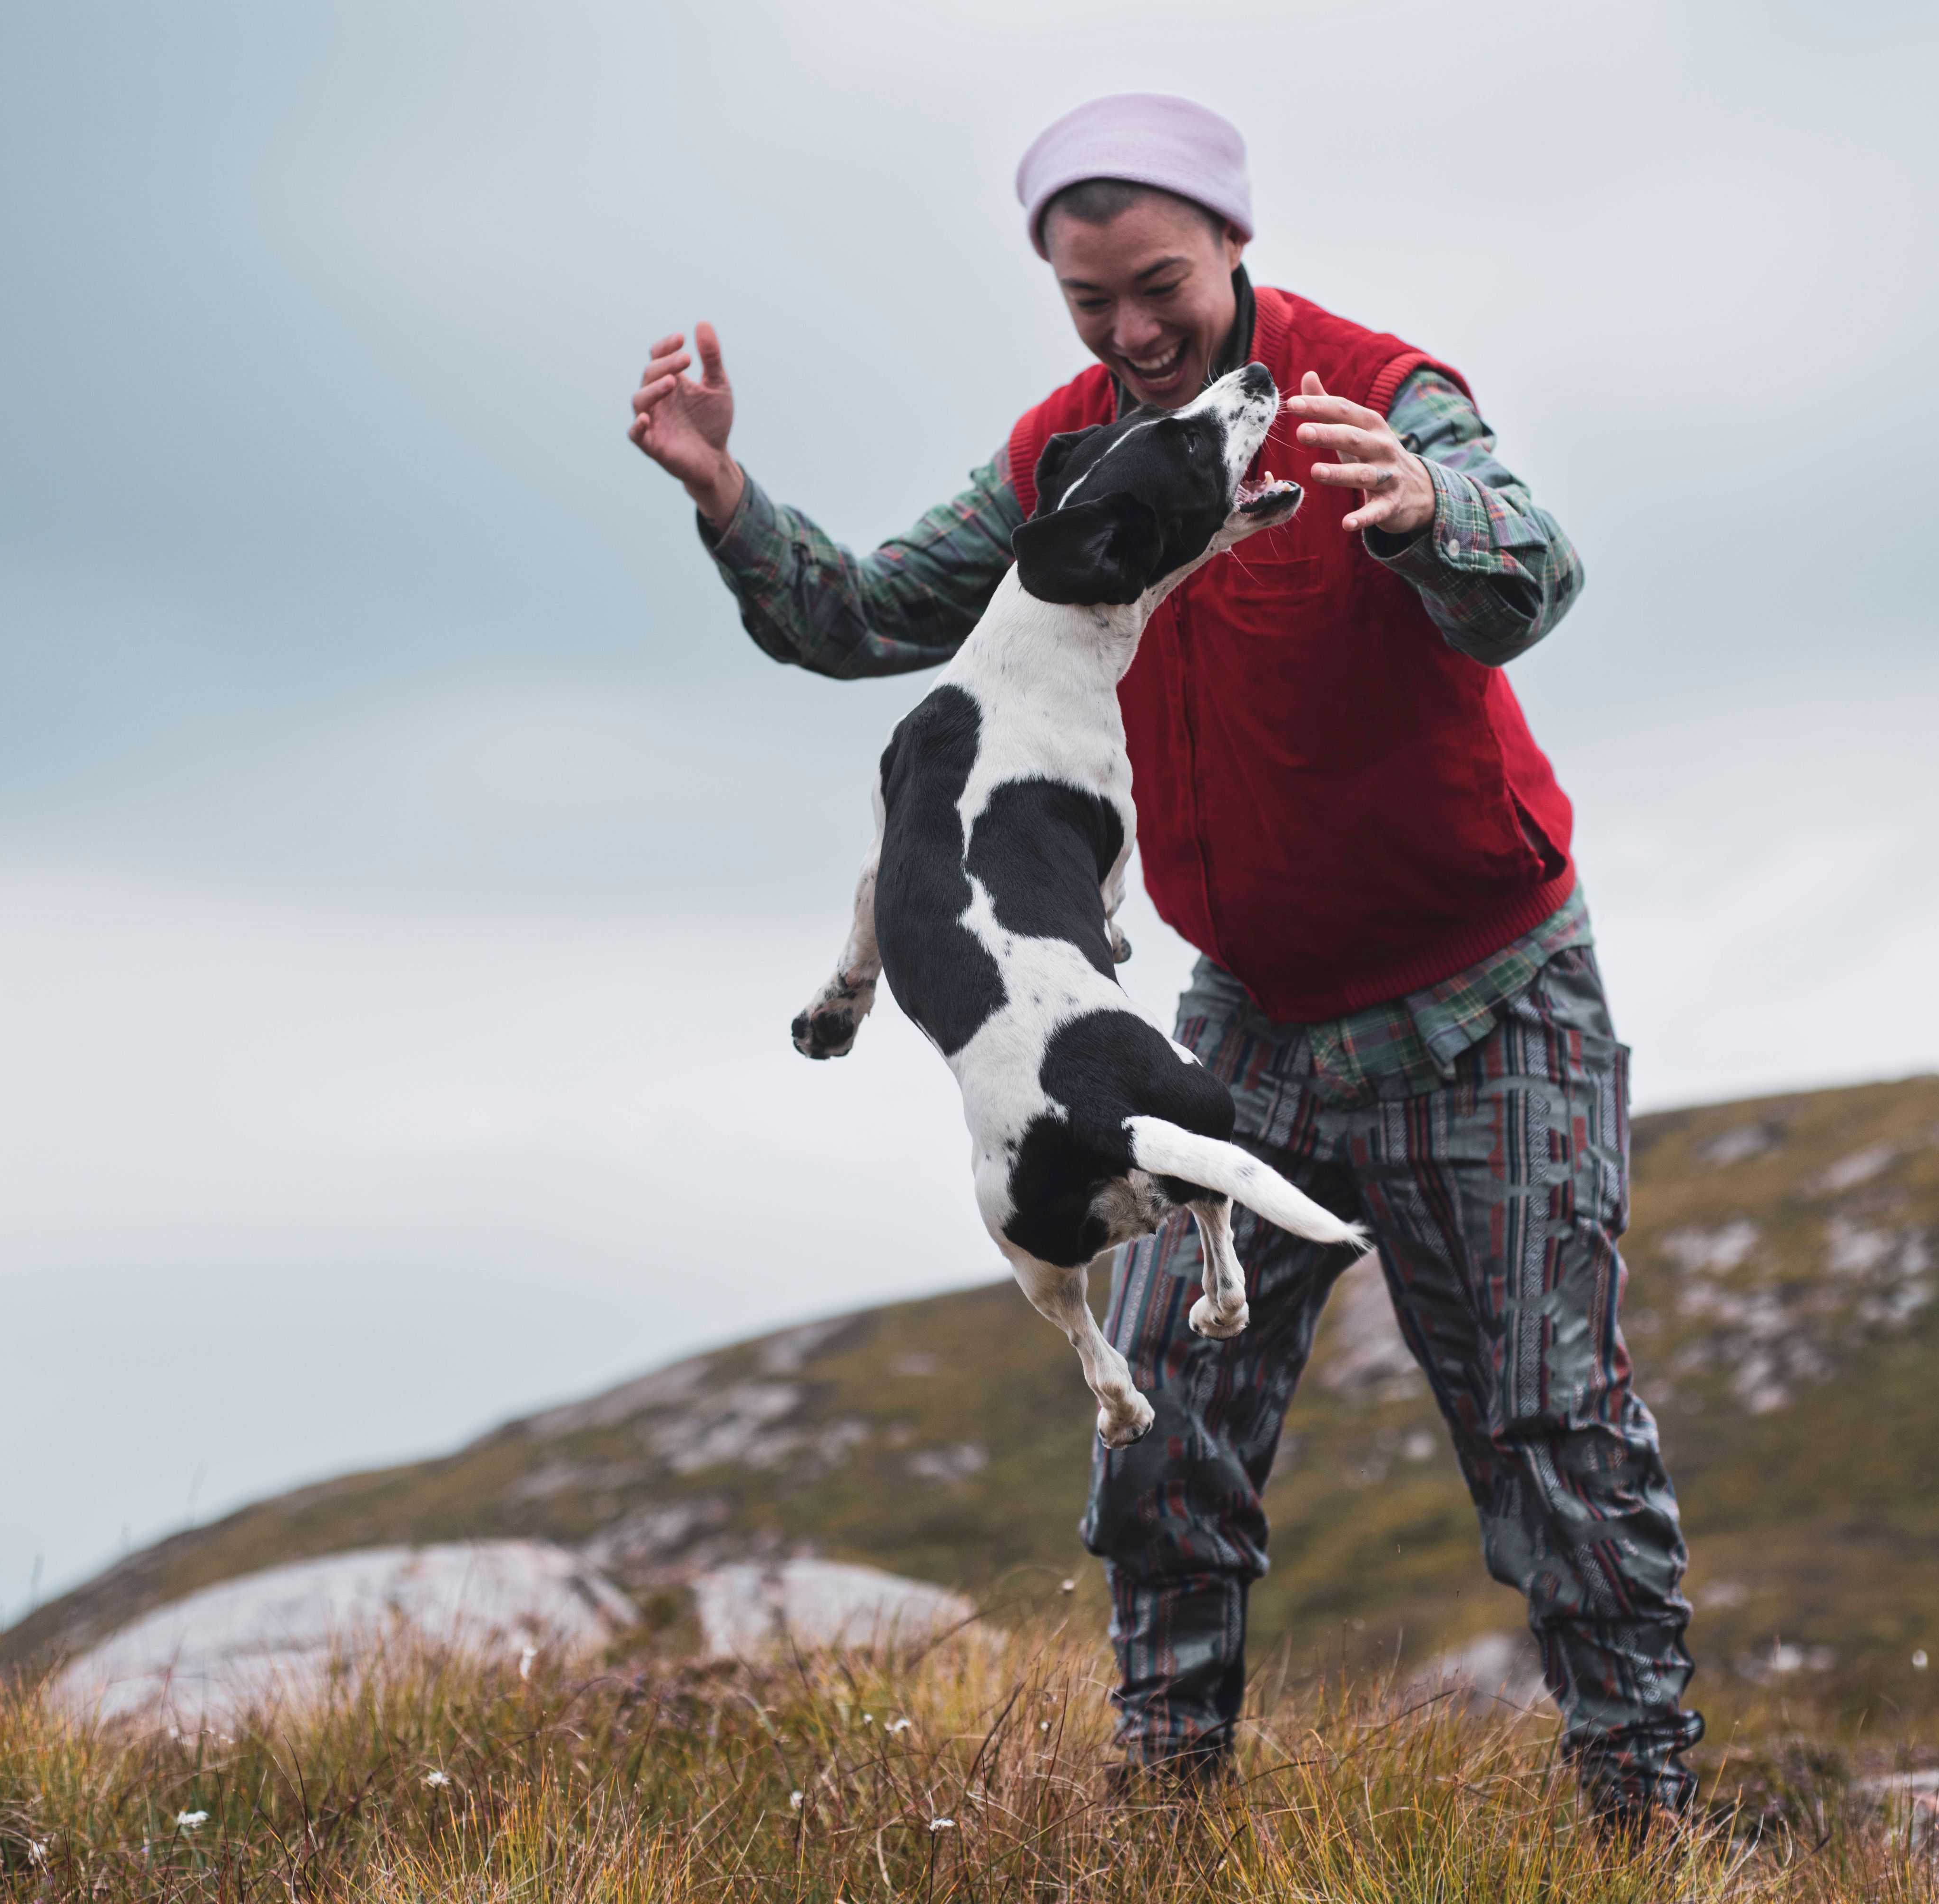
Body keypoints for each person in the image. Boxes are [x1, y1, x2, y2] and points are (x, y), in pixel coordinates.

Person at [626, 92, 1701, 1819]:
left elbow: (1536, 573)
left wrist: (1431, 506)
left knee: (1551, 1428)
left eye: (1160, 287)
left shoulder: (1381, 391)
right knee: (1166, 1437)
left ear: (1233, 249)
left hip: (1488, 1001)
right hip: (1242, 1016)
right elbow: (872, 619)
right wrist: (727, 490)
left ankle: (1648, 1815)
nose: (1128, 333)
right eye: (1086, 300)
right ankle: (1167, 1806)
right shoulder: (1067, 453)